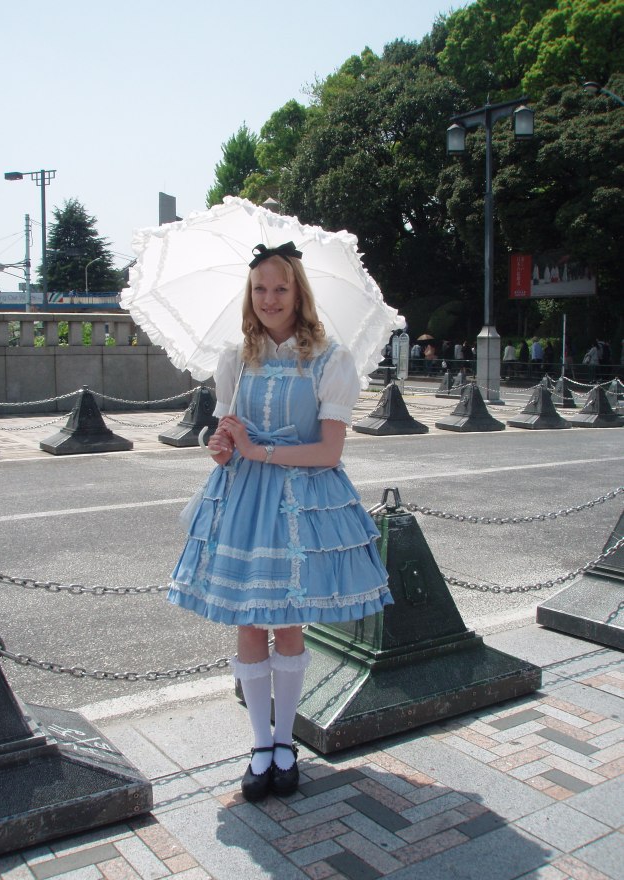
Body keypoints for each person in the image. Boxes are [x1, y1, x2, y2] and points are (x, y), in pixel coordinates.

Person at [167, 242, 393, 802]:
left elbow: (328, 453)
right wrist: (221, 446)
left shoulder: (328, 359)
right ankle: (260, 743)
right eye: (260, 289)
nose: (269, 299)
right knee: (249, 623)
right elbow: (225, 443)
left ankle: (286, 742)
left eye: (280, 288)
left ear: (299, 294)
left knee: (288, 624)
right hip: (242, 498)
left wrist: (258, 450)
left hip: (301, 502)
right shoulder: (234, 360)